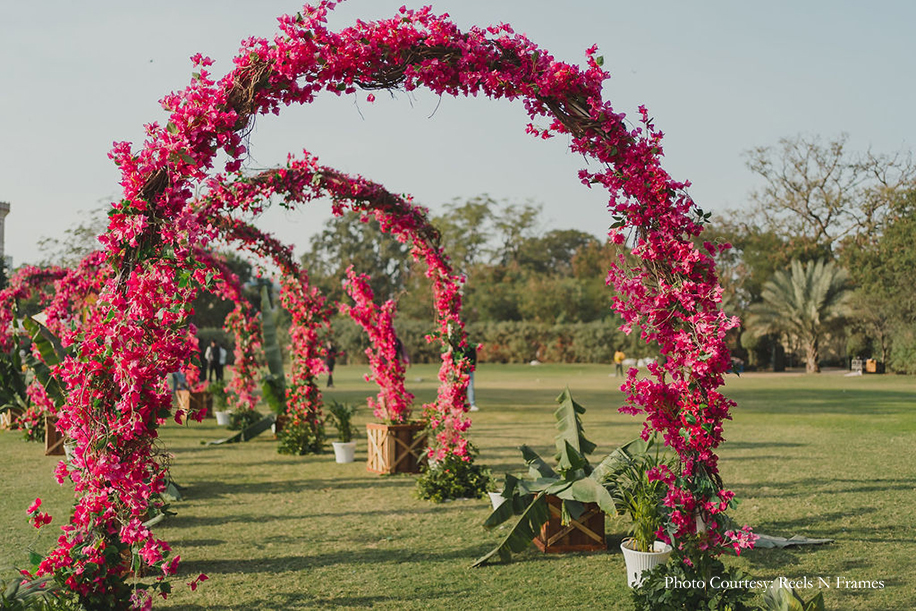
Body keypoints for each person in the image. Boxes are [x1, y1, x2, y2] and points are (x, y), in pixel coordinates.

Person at [465, 342, 479, 411]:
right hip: (461, 370)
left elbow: (474, 357)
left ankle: (472, 404)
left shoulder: (471, 347)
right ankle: (461, 404)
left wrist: (472, 366)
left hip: (469, 369)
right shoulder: (458, 347)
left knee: (470, 387)